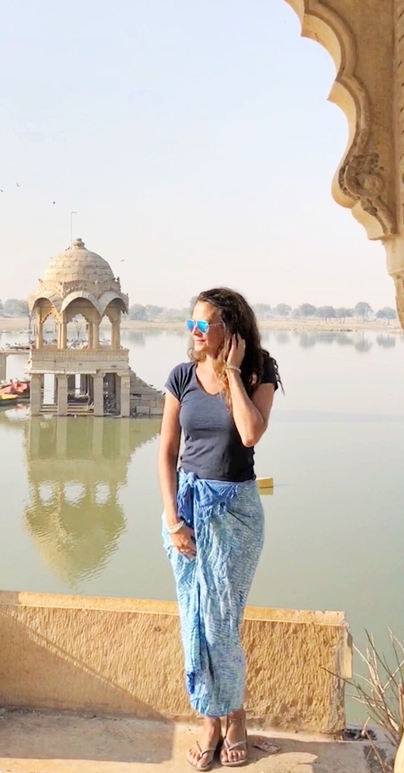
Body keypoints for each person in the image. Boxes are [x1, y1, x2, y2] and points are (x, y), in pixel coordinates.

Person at [158, 287, 281, 771]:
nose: (194, 333)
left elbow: (251, 433)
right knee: (194, 620)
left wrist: (232, 373)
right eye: (191, 323)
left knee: (220, 623)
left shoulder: (259, 370)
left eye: (203, 324)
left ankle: (234, 720)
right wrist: (172, 519)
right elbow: (167, 451)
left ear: (229, 330)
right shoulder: (181, 377)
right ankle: (213, 720)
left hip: (235, 511)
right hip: (186, 508)